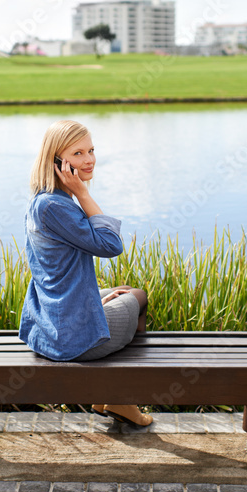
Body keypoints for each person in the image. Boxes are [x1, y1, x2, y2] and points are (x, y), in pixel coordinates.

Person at [19, 120, 152, 427]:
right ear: (57, 161)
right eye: (78, 153)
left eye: (91, 150)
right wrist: (82, 191)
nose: (89, 159)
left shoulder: (44, 200)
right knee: (139, 298)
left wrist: (99, 303)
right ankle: (123, 398)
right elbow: (110, 244)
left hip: (55, 320)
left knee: (124, 290)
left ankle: (115, 396)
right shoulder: (56, 206)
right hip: (70, 337)